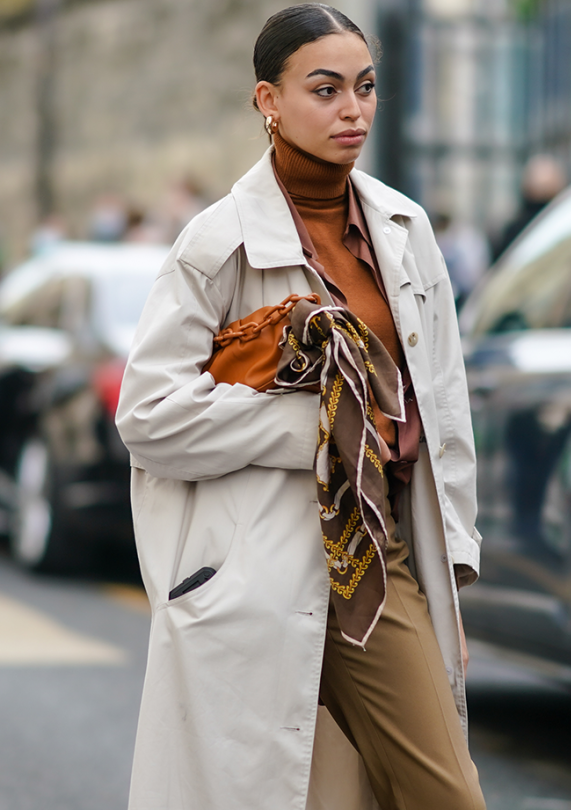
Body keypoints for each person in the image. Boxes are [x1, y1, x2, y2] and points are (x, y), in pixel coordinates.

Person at [116, 6, 485, 810]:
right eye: (326, 90)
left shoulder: (405, 229)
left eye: (366, 87)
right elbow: (147, 415)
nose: (353, 109)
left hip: (375, 561)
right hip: (252, 566)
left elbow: (445, 410)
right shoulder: (216, 243)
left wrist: (452, 575)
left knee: (444, 791)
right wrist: (310, 431)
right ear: (268, 101)